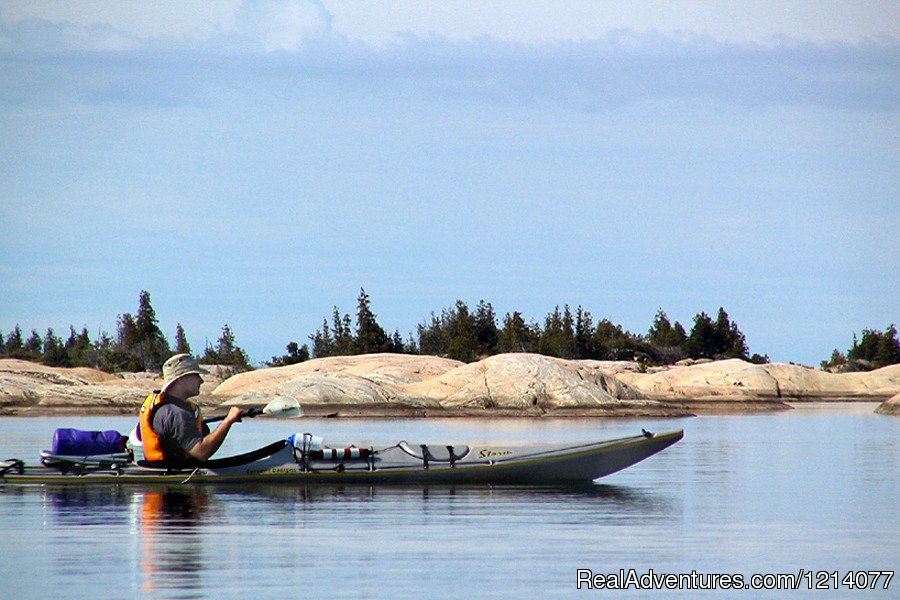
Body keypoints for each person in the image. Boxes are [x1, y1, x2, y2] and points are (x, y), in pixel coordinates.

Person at [138, 353, 243, 464]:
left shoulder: (170, 408)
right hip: (175, 475)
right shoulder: (176, 413)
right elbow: (202, 453)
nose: (201, 380)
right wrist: (228, 421)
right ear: (181, 379)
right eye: (196, 375)